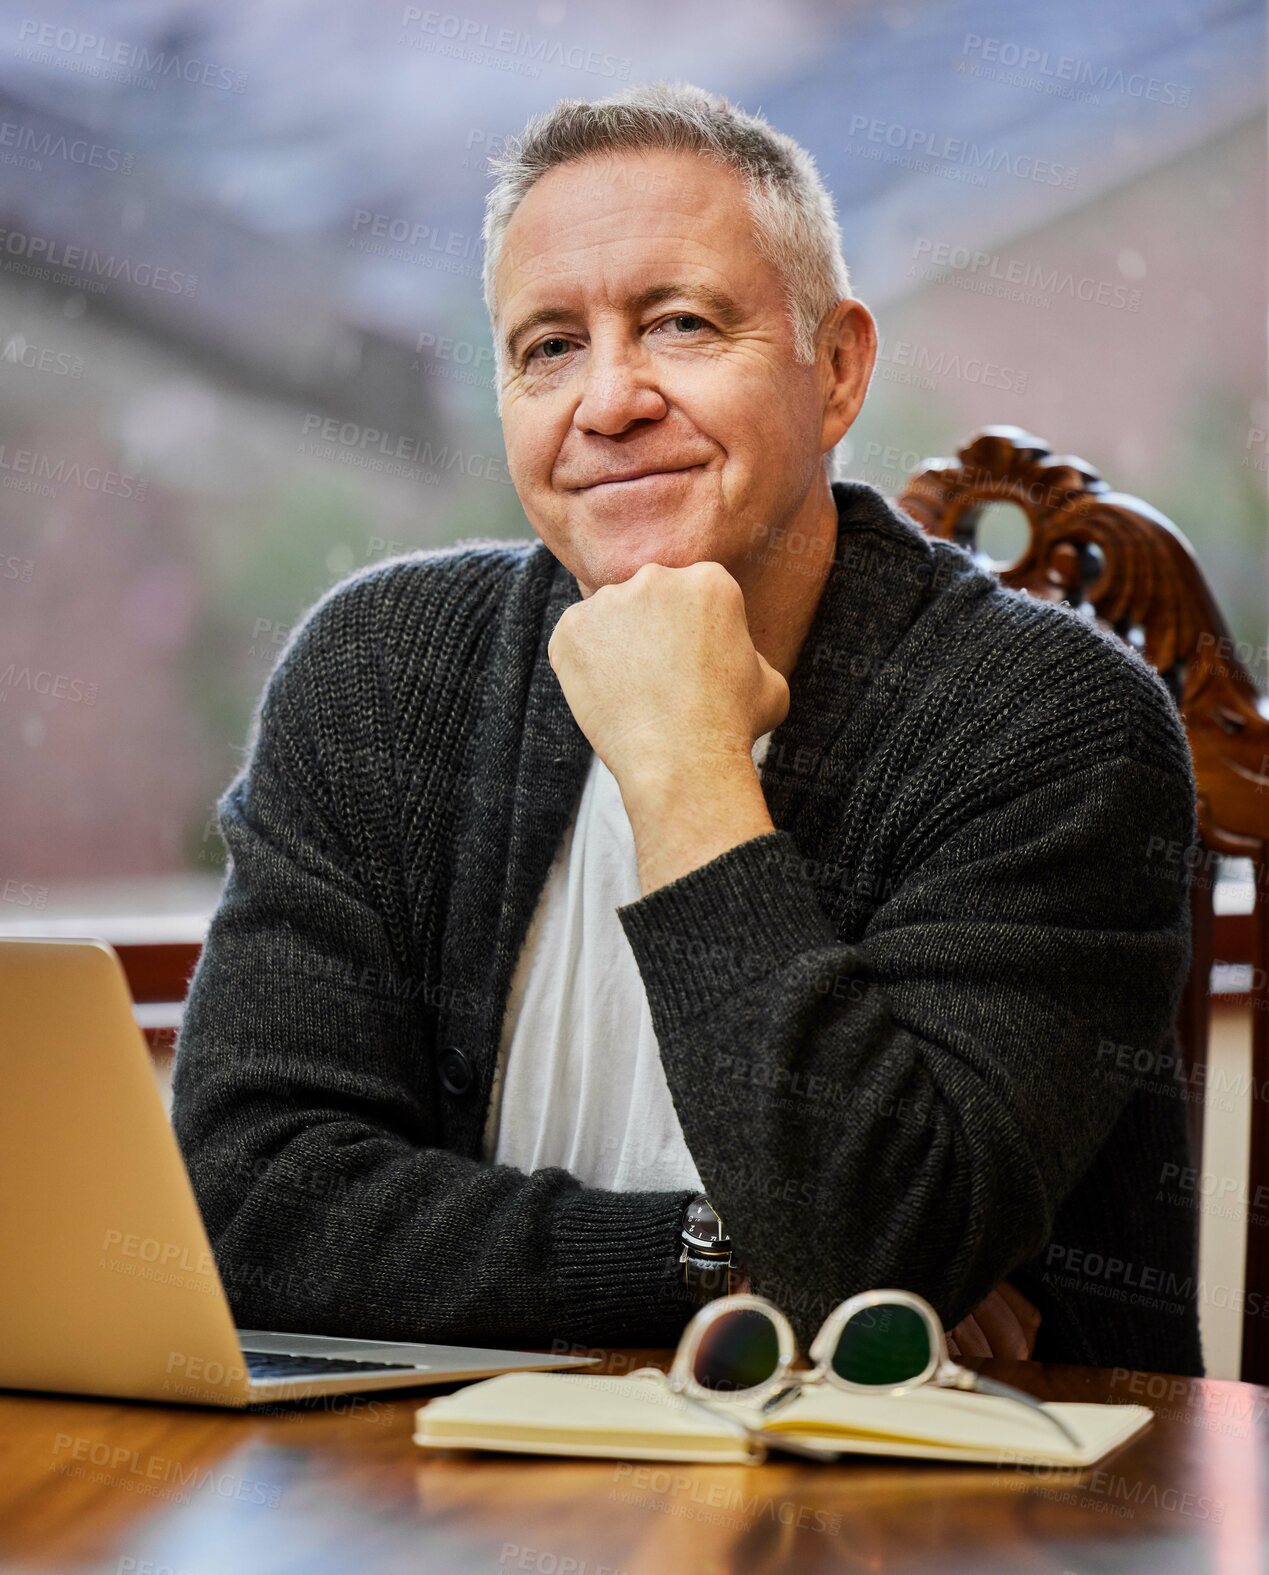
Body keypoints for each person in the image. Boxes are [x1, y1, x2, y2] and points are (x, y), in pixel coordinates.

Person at [172, 80, 1203, 1377]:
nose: (607, 401)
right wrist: (710, 1261)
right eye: (548, 346)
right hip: (458, 1500)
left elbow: (869, 1249)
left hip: (950, 1521)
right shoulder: (379, 671)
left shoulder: (1050, 723)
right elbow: (241, 1207)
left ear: (834, 369)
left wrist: (686, 764)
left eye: (677, 324)